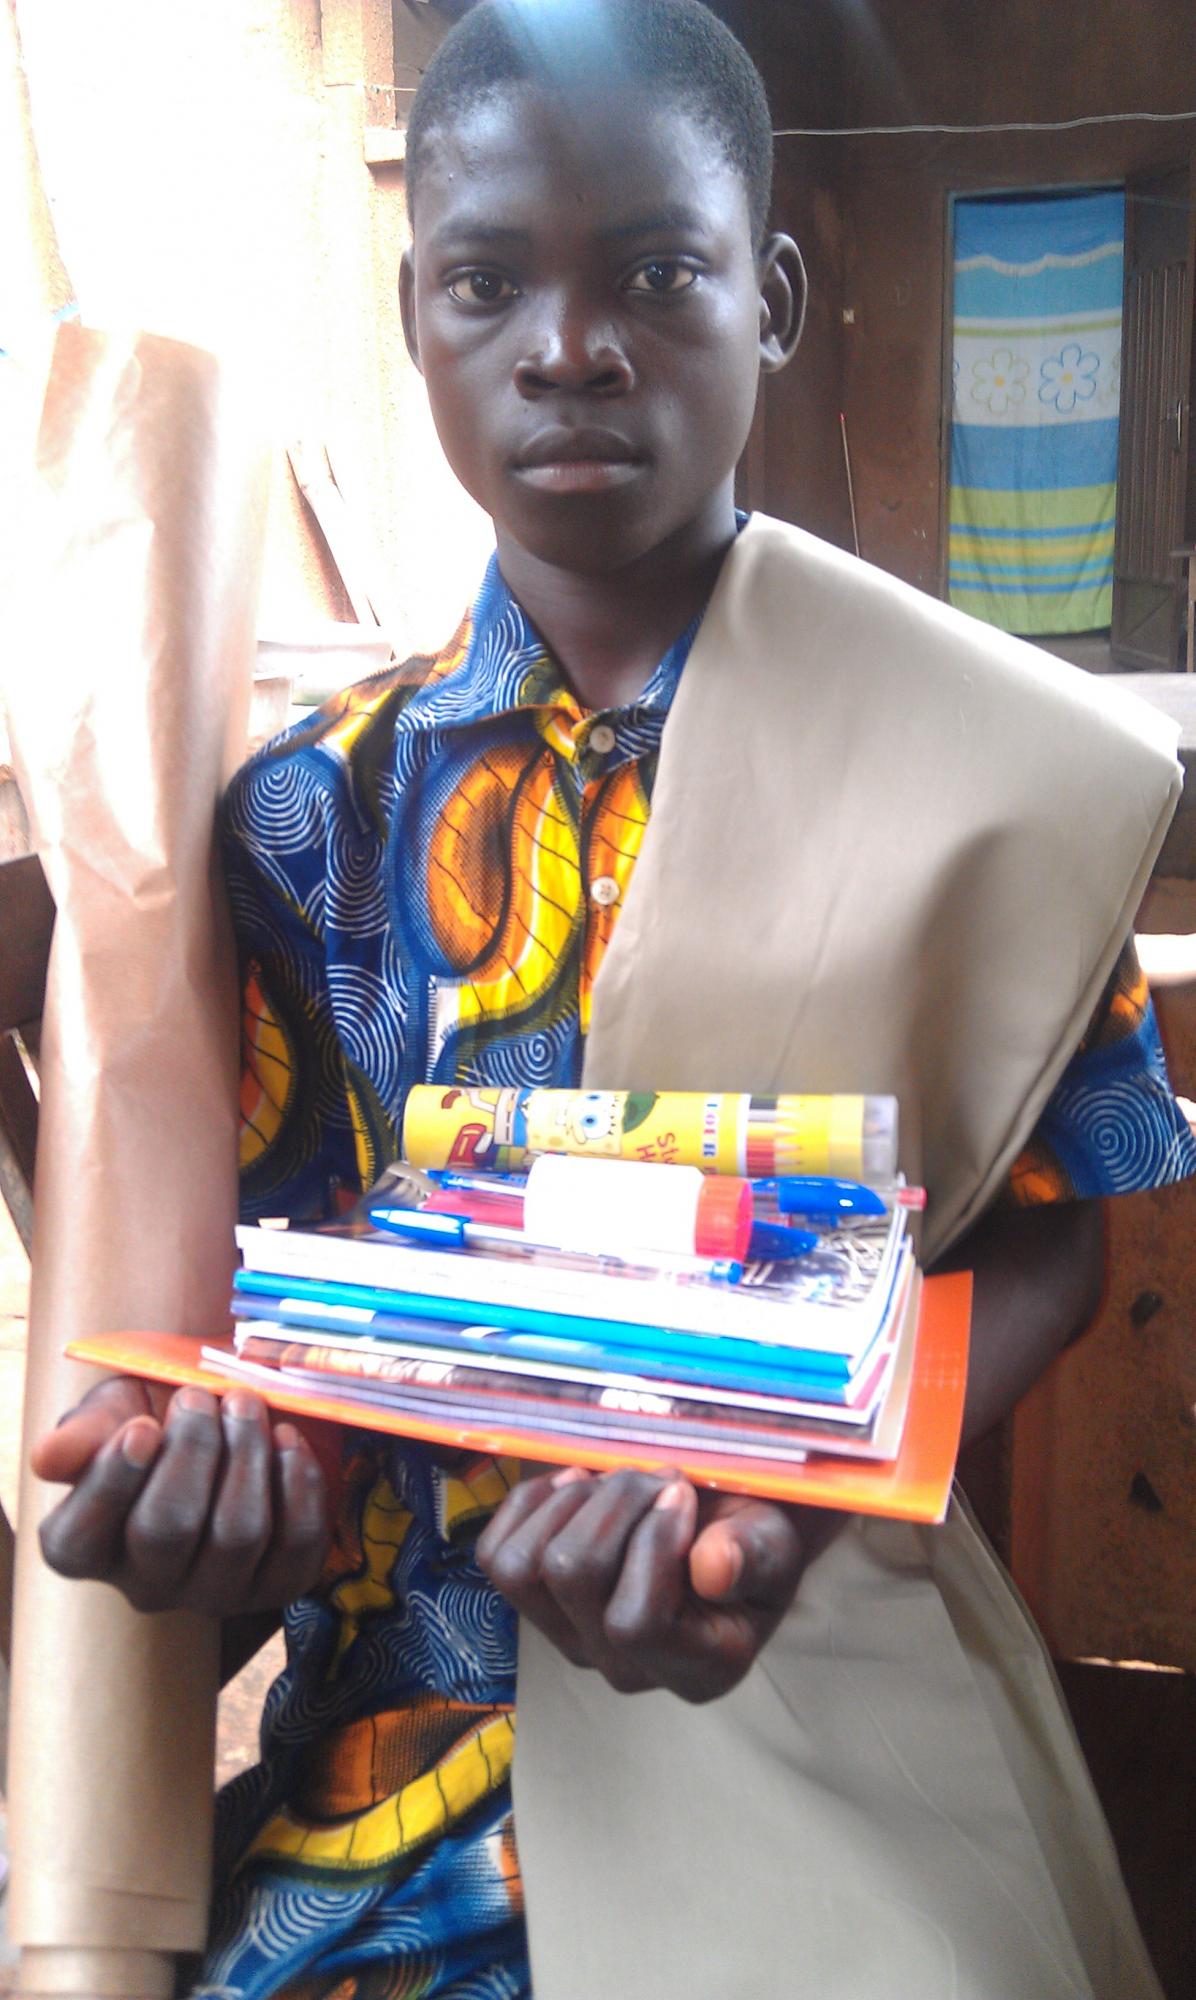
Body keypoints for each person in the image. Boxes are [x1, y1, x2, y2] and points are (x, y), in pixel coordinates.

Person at [30, 4, 1196, 1996]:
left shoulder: (981, 771)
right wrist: (216, 1489)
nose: (568, 347)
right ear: (415, 317)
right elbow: (271, 1306)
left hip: (819, 1662)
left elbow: (1053, 1242)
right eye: (489, 283)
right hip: (405, 1737)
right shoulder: (305, 822)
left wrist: (788, 1497)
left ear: (774, 299)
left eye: (656, 275)